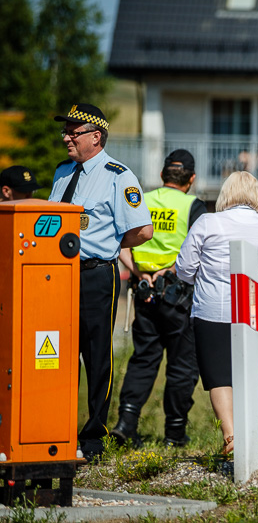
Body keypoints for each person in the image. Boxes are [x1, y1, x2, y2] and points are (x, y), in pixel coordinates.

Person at [48, 103, 153, 462]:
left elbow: (142, 230)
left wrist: (110, 243)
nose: (66, 138)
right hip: (56, 275)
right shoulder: (62, 172)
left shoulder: (118, 176)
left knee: (96, 355)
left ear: (96, 136)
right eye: (65, 131)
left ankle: (93, 436)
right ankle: (55, 429)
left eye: (73, 132)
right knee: (55, 352)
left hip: (95, 274)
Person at [175, 171, 258, 455]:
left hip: (214, 308)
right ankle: (250, 435)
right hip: (254, 307)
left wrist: (201, 277)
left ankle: (231, 434)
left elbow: (184, 267)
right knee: (250, 374)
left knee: (218, 376)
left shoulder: (208, 222)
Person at [111, 149, 207, 448]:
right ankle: (174, 434)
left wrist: (139, 272)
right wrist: (171, 270)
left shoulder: (143, 200)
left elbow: (118, 240)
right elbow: (200, 249)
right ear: (191, 179)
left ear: (163, 175)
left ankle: (126, 424)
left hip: (145, 292)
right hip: (179, 295)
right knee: (182, 365)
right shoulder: (193, 206)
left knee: (143, 360)